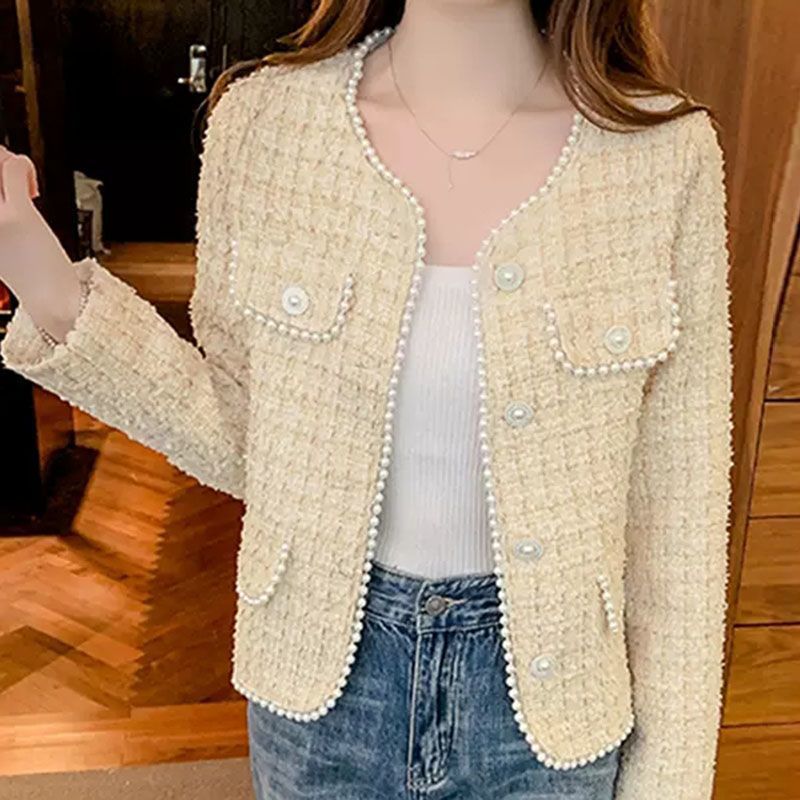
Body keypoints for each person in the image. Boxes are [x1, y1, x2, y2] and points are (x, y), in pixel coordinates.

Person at [0, 1, 734, 798]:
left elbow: (680, 523)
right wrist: (37, 270)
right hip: (321, 695)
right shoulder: (265, 124)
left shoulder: (662, 154)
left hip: (557, 706)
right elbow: (242, 434)